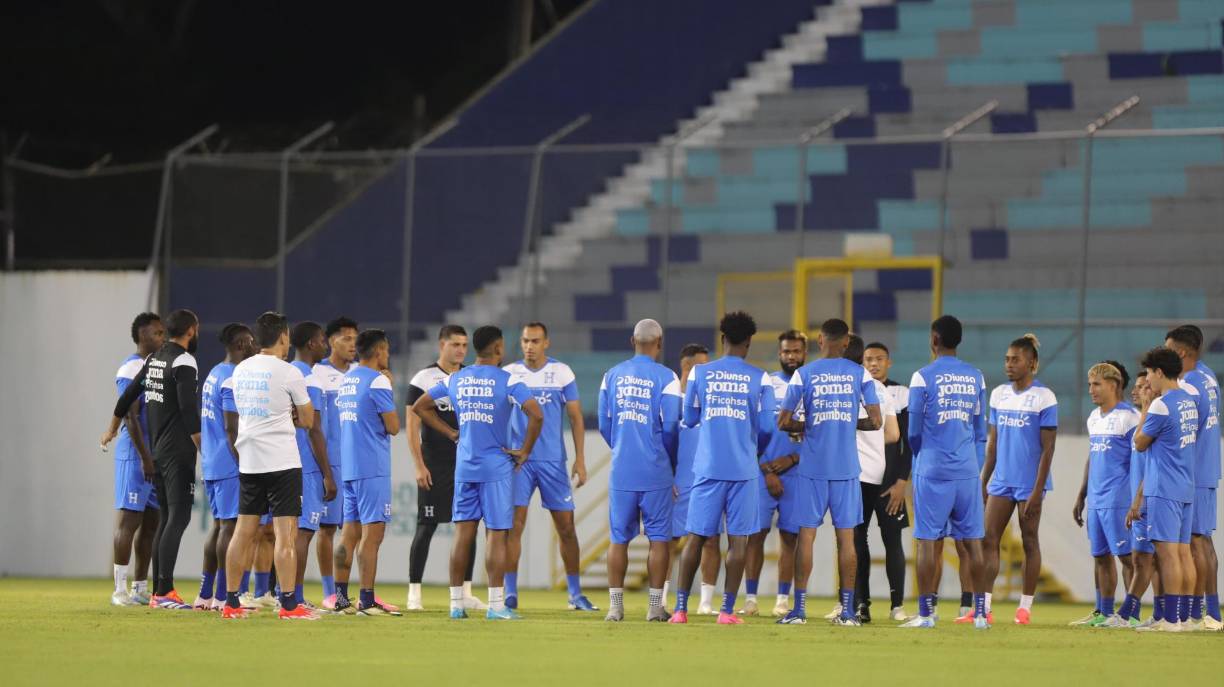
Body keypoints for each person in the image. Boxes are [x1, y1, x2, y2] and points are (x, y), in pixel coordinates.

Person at [412, 325, 544, 620]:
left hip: (465, 467)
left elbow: (421, 407)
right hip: (495, 468)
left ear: (474, 348)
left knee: (462, 535)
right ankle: (496, 606)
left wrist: (451, 433)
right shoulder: (508, 380)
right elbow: (536, 414)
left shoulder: (456, 378)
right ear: (498, 348)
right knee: (496, 535)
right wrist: (524, 451)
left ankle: (456, 604)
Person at [669, 311, 774, 625]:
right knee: (738, 541)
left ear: (723, 338)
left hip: (707, 469)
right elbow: (768, 427)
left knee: (696, 538)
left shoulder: (701, 373)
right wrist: (752, 447)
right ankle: (727, 611)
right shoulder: (761, 378)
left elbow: (688, 418)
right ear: (749, 342)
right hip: (743, 470)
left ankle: (680, 610)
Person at [776, 318, 881, 626]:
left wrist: (809, 425)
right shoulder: (859, 373)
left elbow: (783, 421)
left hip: (812, 468)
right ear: (847, 342)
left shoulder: (802, 374)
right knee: (846, 539)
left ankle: (799, 610)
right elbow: (876, 421)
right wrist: (848, 422)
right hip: (847, 468)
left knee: (806, 536)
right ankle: (848, 611)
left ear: (820, 341)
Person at [219, 311, 318, 620]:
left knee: (243, 532)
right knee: (285, 535)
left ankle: (231, 602)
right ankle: (289, 605)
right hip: (282, 462)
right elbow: (308, 420)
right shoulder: (289, 372)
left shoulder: (240, 371)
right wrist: (290, 413)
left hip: (249, 461)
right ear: (284, 337)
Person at [102, 309, 202, 610]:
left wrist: (109, 430)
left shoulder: (154, 360)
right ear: (191, 330)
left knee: (163, 521)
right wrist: (203, 448)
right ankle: (164, 591)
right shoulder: (184, 361)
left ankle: (158, 591)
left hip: (158, 451)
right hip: (177, 452)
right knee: (177, 518)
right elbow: (187, 409)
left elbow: (126, 398)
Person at [899, 315, 989, 630]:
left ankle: (926, 614)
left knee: (927, 542)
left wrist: (924, 456)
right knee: (974, 541)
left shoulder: (922, 377)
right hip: (966, 470)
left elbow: (912, 432)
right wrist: (973, 466)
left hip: (933, 468)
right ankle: (980, 614)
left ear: (934, 339)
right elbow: (980, 431)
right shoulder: (976, 377)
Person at [503, 322, 597, 611]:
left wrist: (580, 459)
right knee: (513, 527)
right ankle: (509, 593)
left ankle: (574, 594)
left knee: (567, 528)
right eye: (525, 341)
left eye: (535, 341)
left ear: (547, 343)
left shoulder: (562, 372)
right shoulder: (508, 374)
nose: (529, 346)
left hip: (553, 462)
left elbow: (576, 418)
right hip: (520, 461)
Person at [596, 319, 681, 622]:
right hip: (656, 469)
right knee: (660, 540)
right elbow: (671, 427)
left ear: (633, 341)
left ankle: (615, 607)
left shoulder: (611, 376)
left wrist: (620, 447)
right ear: (659, 343)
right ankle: (655, 607)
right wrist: (670, 463)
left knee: (619, 538)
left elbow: (605, 424)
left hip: (622, 470)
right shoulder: (668, 378)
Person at [980, 333, 1058, 625]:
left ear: (1032, 363)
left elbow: (1048, 449)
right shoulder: (999, 394)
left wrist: (1037, 492)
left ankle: (1024, 607)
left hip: (1029, 483)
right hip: (1001, 480)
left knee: (1029, 541)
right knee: (988, 539)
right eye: (1007, 359)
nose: (1009, 364)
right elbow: (993, 444)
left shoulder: (1044, 397)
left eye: (1016, 359)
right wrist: (984, 481)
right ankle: (983, 607)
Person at [405, 325, 483, 611]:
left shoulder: (468, 378)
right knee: (426, 526)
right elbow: (412, 425)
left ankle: (466, 592)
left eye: (465, 345)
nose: (461, 350)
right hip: (434, 464)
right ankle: (414, 592)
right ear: (442, 345)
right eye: (455, 344)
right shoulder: (424, 378)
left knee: (469, 525)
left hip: (465, 463)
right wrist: (418, 465)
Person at [1126, 346, 1199, 632]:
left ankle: (1170, 620)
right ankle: (1183, 618)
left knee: (1167, 555)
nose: (1149, 384)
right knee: (1183, 553)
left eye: (1149, 376)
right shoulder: (1188, 401)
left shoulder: (1162, 404)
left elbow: (1139, 443)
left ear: (1158, 372)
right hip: (1185, 485)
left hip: (1164, 487)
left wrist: (1145, 409)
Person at [333, 329, 402, 616]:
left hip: (349, 467)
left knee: (349, 534)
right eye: (386, 350)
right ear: (379, 352)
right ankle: (367, 599)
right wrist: (389, 386)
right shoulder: (378, 382)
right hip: (372, 467)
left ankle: (340, 599)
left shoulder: (346, 380)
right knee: (372, 536)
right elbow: (394, 426)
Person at [193, 323, 256, 611]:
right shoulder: (232, 377)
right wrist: (244, 465)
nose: (255, 347)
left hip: (211, 459)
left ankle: (205, 594)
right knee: (230, 527)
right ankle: (221, 596)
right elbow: (232, 429)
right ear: (241, 344)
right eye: (252, 342)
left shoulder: (214, 373)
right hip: (229, 461)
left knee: (220, 527)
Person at [1071, 362, 1138, 626]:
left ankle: (1131, 614)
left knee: (1127, 558)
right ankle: (1105, 612)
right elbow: (1093, 458)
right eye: (1089, 384)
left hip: (1118, 499)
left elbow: (1139, 463)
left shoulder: (1129, 417)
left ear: (1114, 385)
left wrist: (1137, 499)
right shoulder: (1093, 418)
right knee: (1100, 556)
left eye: (1096, 384)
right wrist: (1082, 494)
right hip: (1096, 499)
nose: (1091, 390)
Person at [743, 331, 804, 618]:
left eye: (796, 351)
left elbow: (818, 434)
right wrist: (766, 469)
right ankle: (751, 598)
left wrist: (793, 458)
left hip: (798, 473)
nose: (791, 356)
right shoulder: (765, 384)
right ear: (779, 354)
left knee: (790, 538)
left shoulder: (810, 384)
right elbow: (751, 431)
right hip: (762, 472)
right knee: (756, 535)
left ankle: (782, 599)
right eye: (786, 352)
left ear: (805, 353)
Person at [1165, 325, 1221, 629]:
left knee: (1197, 541)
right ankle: (1209, 612)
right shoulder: (1208, 376)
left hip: (1194, 470)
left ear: (1181, 352)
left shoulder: (1189, 384)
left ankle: (1203, 615)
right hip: (1208, 467)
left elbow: (1187, 430)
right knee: (1203, 540)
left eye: (1168, 349)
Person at [844, 335, 901, 623]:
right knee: (860, 536)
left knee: (852, 537)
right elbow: (893, 435)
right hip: (875, 471)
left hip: (847, 469)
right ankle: (860, 603)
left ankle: (855, 603)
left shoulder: (844, 385)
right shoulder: (880, 389)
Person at [109, 312, 165, 606]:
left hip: (153, 457)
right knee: (129, 521)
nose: (162, 338)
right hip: (136, 455)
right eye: (157, 333)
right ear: (142, 336)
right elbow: (129, 416)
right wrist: (145, 458)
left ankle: (140, 588)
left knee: (152, 523)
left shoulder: (154, 367)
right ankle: (119, 590)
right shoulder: (131, 367)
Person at [860, 341, 917, 621]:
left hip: (889, 483)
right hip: (859, 480)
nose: (873, 364)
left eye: (879, 359)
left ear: (889, 362)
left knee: (893, 541)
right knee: (857, 542)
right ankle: (861, 604)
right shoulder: (857, 391)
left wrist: (900, 481)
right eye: (868, 359)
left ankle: (897, 605)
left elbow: (908, 442)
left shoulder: (900, 393)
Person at [665, 343, 723, 615]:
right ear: (688, 367)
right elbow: (660, 442)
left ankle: (706, 602)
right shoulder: (670, 399)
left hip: (706, 480)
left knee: (711, 540)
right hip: (676, 483)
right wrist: (666, 478)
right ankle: (662, 597)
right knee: (668, 541)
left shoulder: (711, 401)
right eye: (703, 365)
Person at [288, 322, 338, 610]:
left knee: (291, 531)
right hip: (307, 464)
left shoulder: (288, 371)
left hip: (288, 458)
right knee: (304, 532)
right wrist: (328, 474)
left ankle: (289, 594)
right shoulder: (310, 377)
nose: (325, 345)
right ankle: (294, 597)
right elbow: (314, 428)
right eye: (321, 340)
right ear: (310, 344)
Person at [1107, 371, 1162, 628]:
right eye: (1137, 386)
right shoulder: (1144, 419)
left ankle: (1127, 613)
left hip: (1148, 500)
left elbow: (1152, 467)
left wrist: (1136, 501)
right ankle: (1161, 615)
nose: (1136, 390)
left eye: (1143, 386)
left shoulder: (1153, 422)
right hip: (1144, 498)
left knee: (1143, 559)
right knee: (1154, 560)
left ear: (1153, 390)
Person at [313, 316, 357, 610]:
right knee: (327, 529)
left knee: (356, 530)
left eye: (356, 339)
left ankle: (355, 591)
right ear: (331, 341)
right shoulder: (317, 373)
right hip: (331, 462)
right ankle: (331, 592)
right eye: (347, 339)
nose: (353, 344)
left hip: (357, 464)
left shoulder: (361, 373)